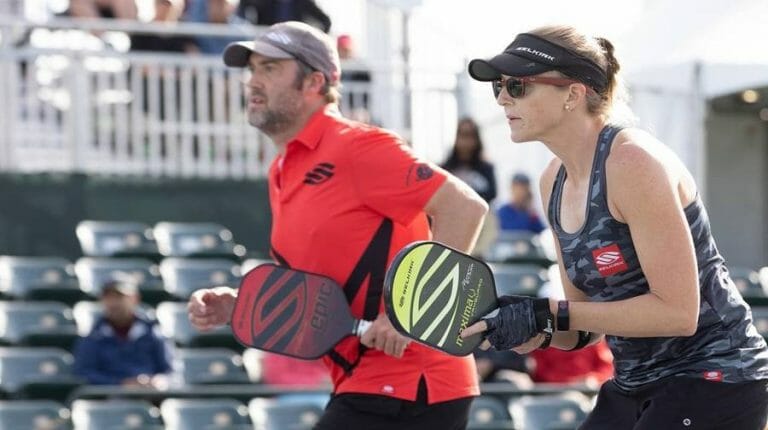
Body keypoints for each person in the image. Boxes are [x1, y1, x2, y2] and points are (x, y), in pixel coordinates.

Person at [461, 26, 768, 429]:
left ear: (573, 94)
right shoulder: (552, 180)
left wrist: (549, 312)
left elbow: (678, 314)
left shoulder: (631, 162)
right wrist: (537, 328)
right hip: (636, 381)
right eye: (499, 86)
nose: (502, 98)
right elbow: (583, 328)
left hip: (715, 375)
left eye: (517, 85)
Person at [187, 21, 488, 430]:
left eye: (270, 69)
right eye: (252, 70)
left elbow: (464, 207)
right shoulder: (282, 169)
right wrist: (239, 304)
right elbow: (319, 285)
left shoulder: (358, 147)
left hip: (414, 383)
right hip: (364, 383)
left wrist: (412, 315)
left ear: (314, 82)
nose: (253, 81)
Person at [73, 280, 174, 387]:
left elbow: (171, 372)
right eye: (108, 298)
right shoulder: (93, 337)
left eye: (119, 297)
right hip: (108, 400)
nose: (114, 303)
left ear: (135, 299)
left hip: (152, 398)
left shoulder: (154, 333)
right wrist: (120, 384)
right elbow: (83, 373)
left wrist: (159, 381)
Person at [441, 117, 497, 204]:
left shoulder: (487, 169)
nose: (467, 141)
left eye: (471, 136)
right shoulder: (445, 169)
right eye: (463, 135)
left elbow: (492, 195)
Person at [236, 0, 332, 33]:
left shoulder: (303, 1)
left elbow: (326, 21)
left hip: (293, 46)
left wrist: (313, 41)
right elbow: (243, 8)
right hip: (267, 43)